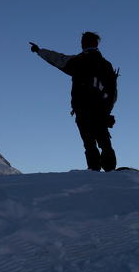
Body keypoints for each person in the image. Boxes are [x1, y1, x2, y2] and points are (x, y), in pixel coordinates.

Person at [29, 32, 118, 172]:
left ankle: (94, 169)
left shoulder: (78, 61)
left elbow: (58, 59)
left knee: (89, 142)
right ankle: (110, 170)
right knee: (103, 140)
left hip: (82, 109)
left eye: (83, 41)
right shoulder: (106, 64)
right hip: (100, 110)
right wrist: (107, 110)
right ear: (96, 44)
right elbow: (113, 91)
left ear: (84, 44)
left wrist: (40, 51)